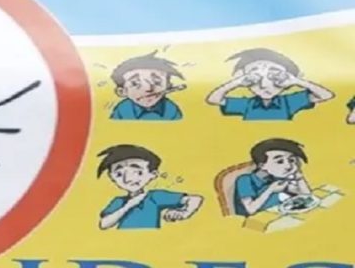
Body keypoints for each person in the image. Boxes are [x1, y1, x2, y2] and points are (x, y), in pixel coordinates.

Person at [205, 48, 334, 121]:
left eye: (275, 77)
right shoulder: (247, 104)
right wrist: (238, 82)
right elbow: (213, 99)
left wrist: (296, 81)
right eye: (255, 79)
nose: (264, 85)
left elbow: (326, 95)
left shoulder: (289, 102)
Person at [96, 144, 203, 230]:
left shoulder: (154, 196)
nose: (128, 179)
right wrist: (128, 206)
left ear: (153, 174)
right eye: (119, 174)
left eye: (138, 172)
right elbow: (104, 224)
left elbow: (195, 199)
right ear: (112, 177)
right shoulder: (119, 201)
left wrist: (184, 213)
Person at [233, 138, 312, 216]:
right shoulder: (245, 180)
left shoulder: (278, 176)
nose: (288, 166)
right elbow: (250, 209)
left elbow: (308, 197)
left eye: (291, 160)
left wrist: (299, 178)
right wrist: (270, 189)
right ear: (262, 165)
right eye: (280, 161)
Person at [108, 51, 185, 121]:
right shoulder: (122, 109)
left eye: (157, 82)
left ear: (168, 85)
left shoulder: (170, 109)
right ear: (122, 91)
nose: (148, 88)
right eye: (135, 83)